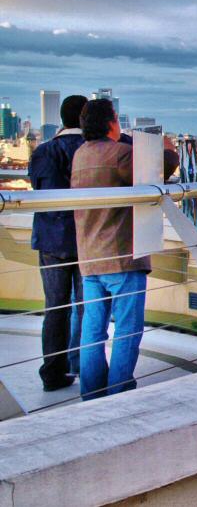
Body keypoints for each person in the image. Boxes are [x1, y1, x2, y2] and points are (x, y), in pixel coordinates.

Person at [71, 99, 179, 400]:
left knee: (92, 332)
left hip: (90, 257)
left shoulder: (80, 155)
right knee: (127, 331)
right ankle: (119, 393)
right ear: (111, 122)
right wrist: (168, 148)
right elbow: (159, 169)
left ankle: (91, 395)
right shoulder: (119, 154)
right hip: (122, 256)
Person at [28, 95, 88, 391]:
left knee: (55, 308)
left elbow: (38, 188)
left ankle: (53, 373)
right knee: (87, 307)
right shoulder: (92, 150)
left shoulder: (43, 151)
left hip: (51, 239)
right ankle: (83, 366)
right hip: (87, 238)